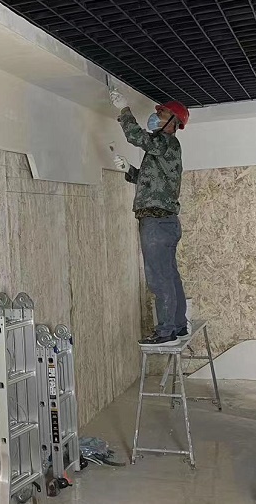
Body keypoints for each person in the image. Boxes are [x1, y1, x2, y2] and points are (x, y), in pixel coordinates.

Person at [109, 88, 190, 345]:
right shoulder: (166, 149)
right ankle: (178, 326)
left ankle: (166, 332)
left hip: (156, 222)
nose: (156, 116)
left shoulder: (165, 142)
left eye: (162, 113)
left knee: (158, 277)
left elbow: (136, 136)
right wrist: (129, 170)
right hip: (165, 221)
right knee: (170, 275)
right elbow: (154, 183)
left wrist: (124, 110)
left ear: (173, 122)